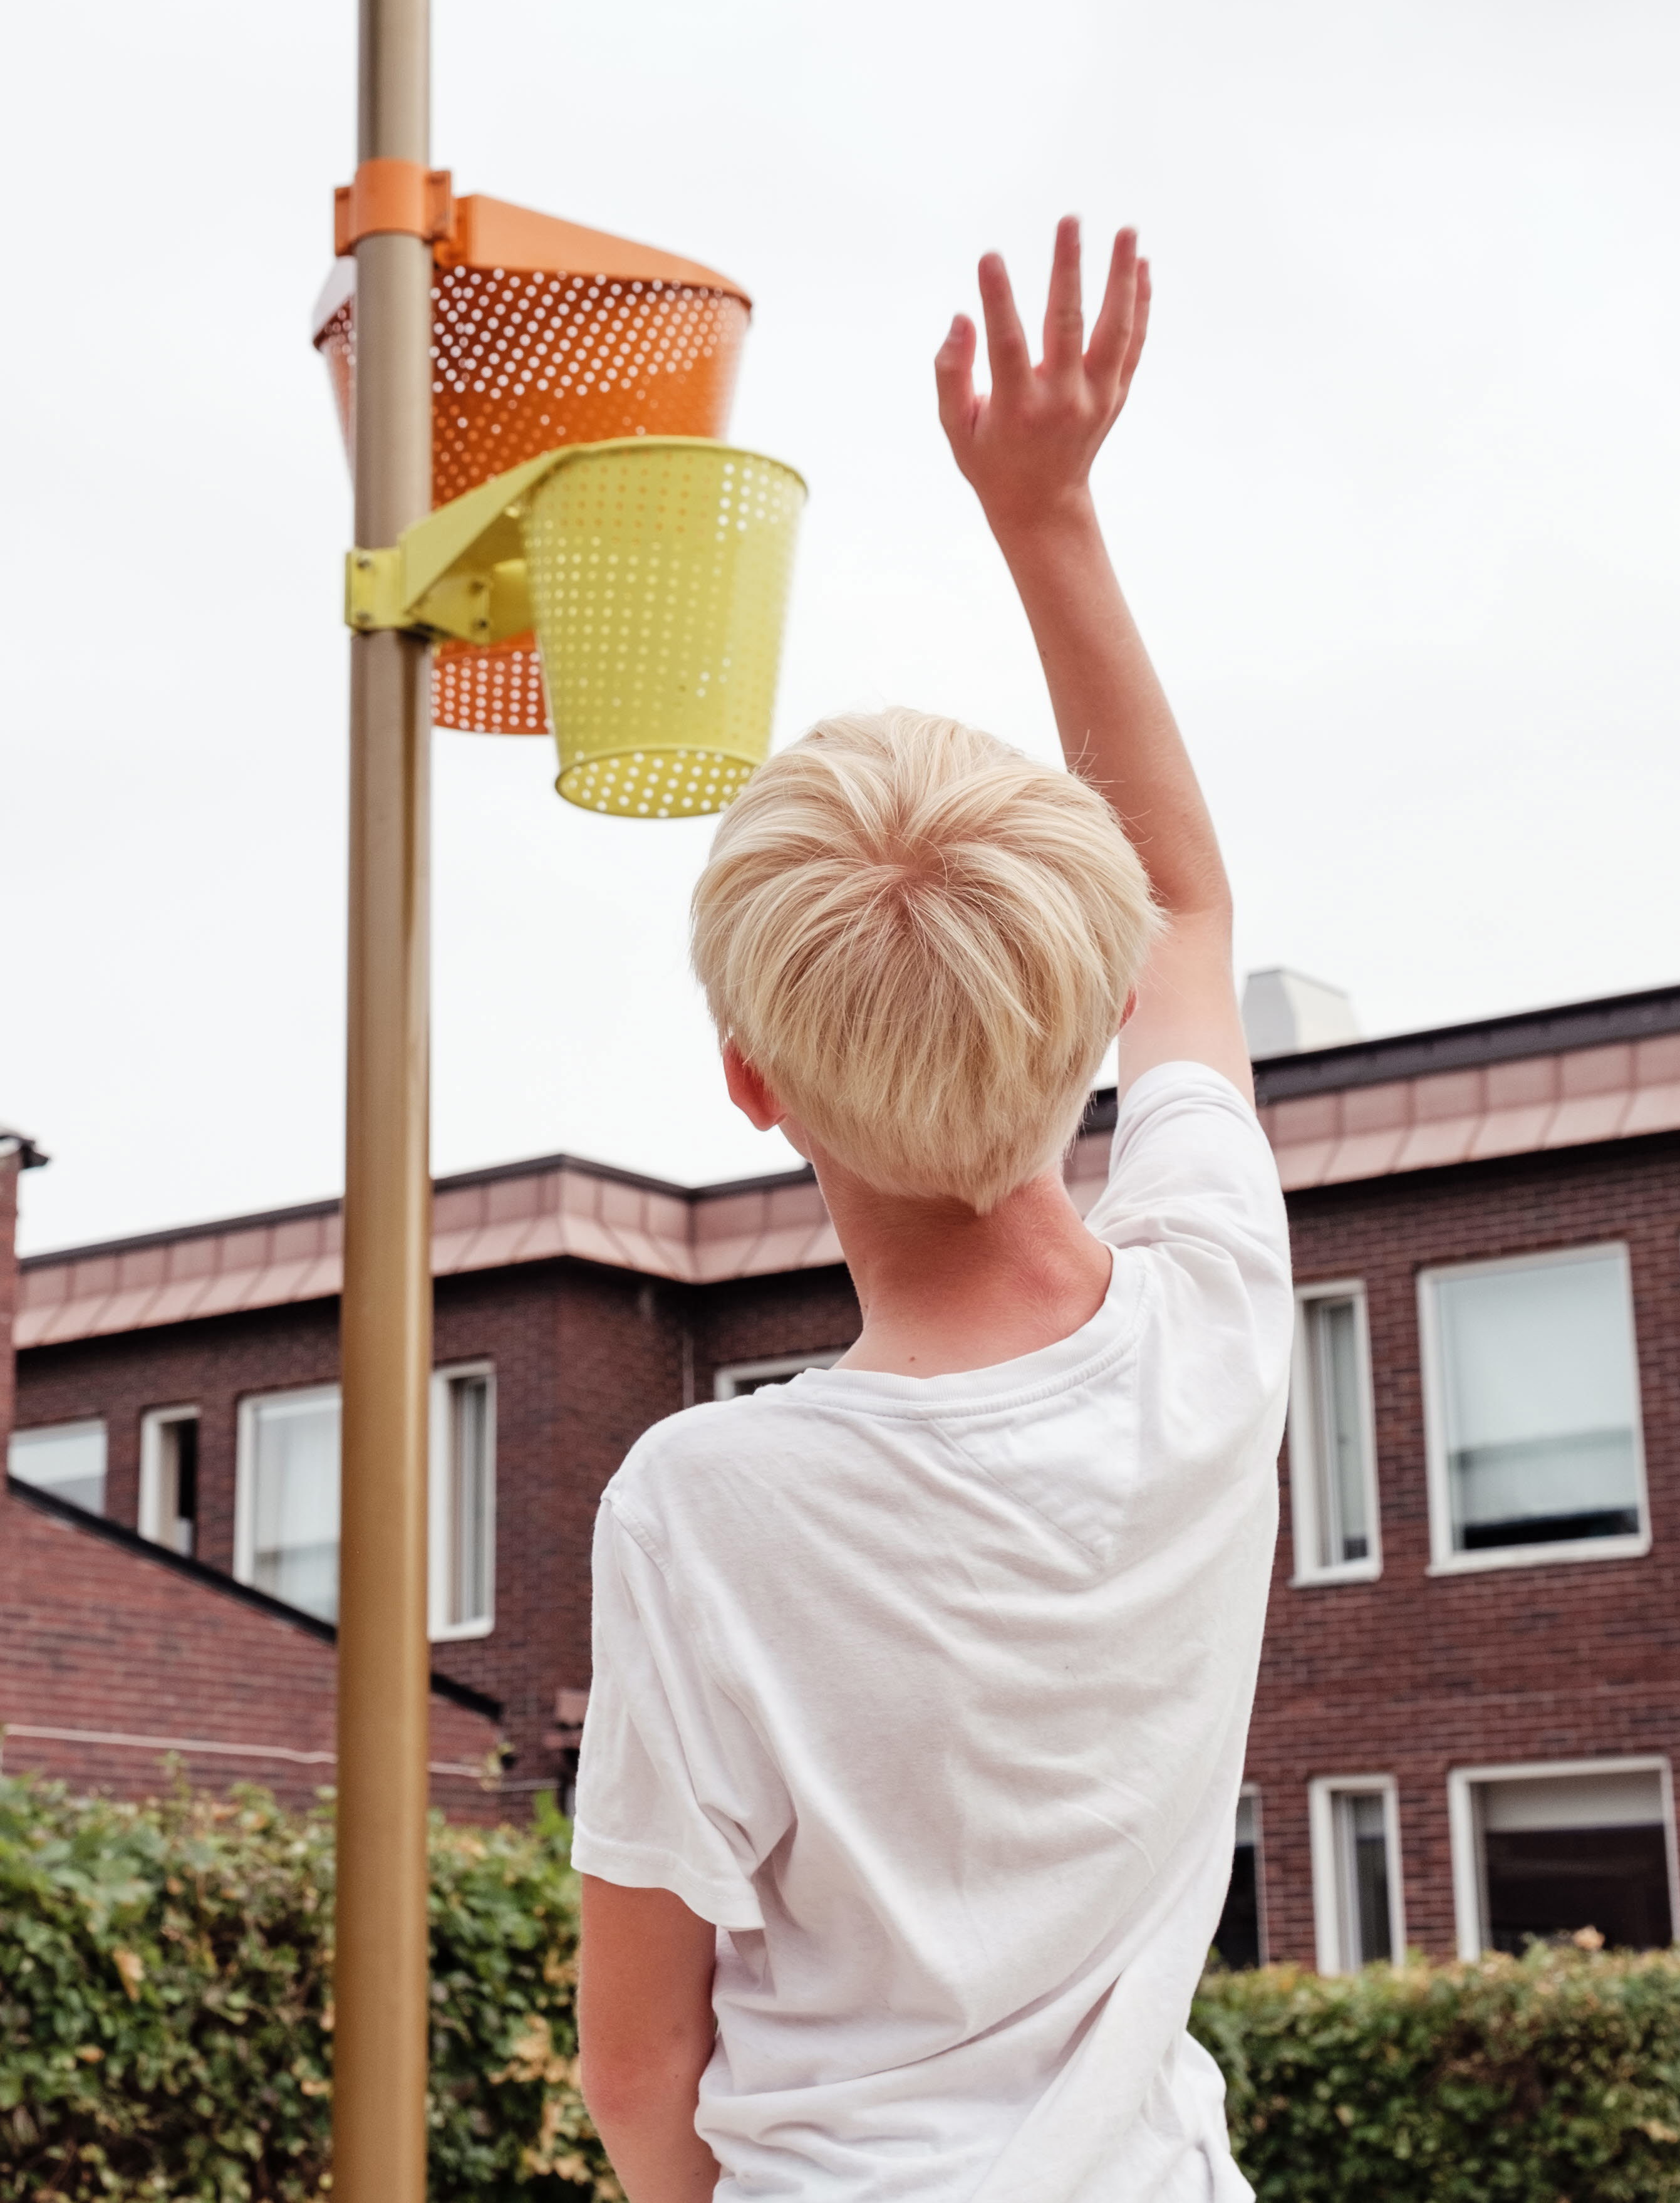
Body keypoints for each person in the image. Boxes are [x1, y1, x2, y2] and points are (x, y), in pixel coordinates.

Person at [571, 221, 1292, 2203]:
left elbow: (640, 2073)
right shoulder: (1216, 1319)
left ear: (750, 1081)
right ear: (1087, 1015)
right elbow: (1194, 912)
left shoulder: (700, 1505)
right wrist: (1046, 510)